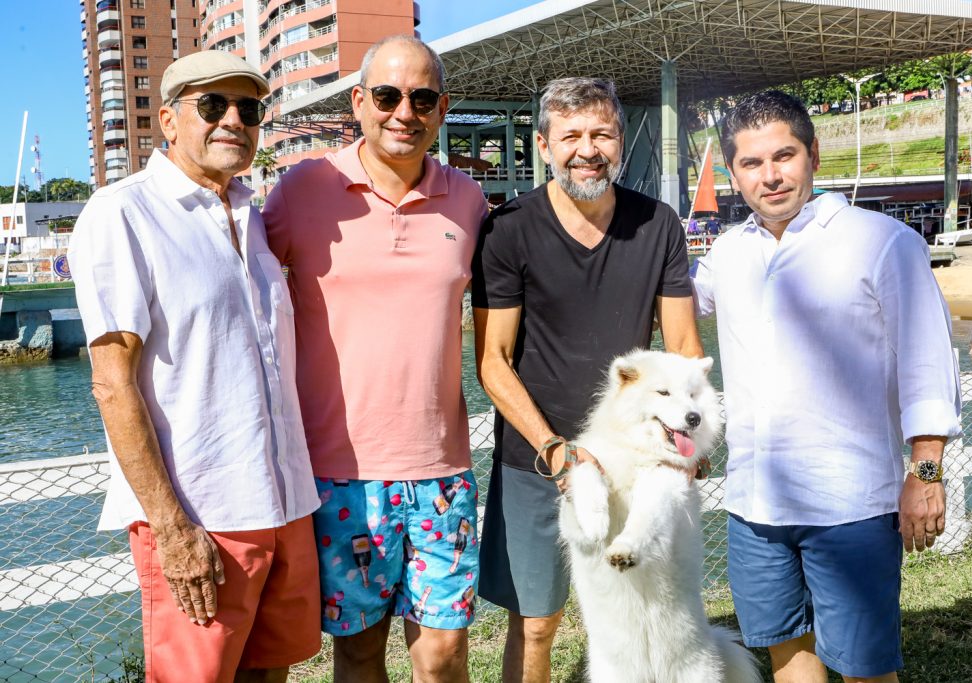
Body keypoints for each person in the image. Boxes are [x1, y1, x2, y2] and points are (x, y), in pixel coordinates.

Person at [691, 90, 962, 683]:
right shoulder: (726, 254)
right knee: (787, 655)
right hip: (753, 504)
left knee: (866, 669)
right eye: (752, 164)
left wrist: (926, 473)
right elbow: (666, 309)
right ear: (733, 174)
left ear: (813, 153)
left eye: (783, 156)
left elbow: (926, 361)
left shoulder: (881, 240)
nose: (771, 176)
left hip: (850, 506)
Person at [68, 51, 321, 682]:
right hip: (201, 514)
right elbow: (112, 383)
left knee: (272, 671)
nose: (234, 120)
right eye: (212, 105)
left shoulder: (251, 215)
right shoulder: (123, 213)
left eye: (249, 109)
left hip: (284, 500)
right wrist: (170, 524)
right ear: (169, 122)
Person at [262, 35, 488, 683]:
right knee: (359, 653)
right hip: (338, 477)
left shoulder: (468, 201)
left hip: (443, 473)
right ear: (359, 102)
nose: (403, 112)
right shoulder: (304, 190)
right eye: (387, 95)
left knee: (443, 656)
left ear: (442, 108)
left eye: (421, 98)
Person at [471, 77, 704, 683]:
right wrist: (553, 448)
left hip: (633, 456)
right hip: (537, 458)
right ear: (544, 144)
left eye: (601, 133)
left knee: (647, 609)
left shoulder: (658, 224)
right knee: (536, 625)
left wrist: (685, 445)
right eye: (570, 135)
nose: (586, 148)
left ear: (621, 142)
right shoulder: (508, 230)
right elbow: (493, 360)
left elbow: (682, 348)